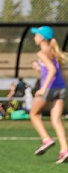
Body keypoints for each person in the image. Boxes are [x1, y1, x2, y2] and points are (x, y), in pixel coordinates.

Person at [28, 26, 67, 163]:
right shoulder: (54, 51)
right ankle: (64, 150)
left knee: (34, 114)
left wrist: (43, 88)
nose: (34, 37)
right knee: (56, 120)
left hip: (49, 89)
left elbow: (51, 70)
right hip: (61, 88)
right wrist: (38, 67)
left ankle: (46, 139)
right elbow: (50, 69)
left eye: (36, 35)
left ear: (42, 38)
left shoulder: (41, 53)